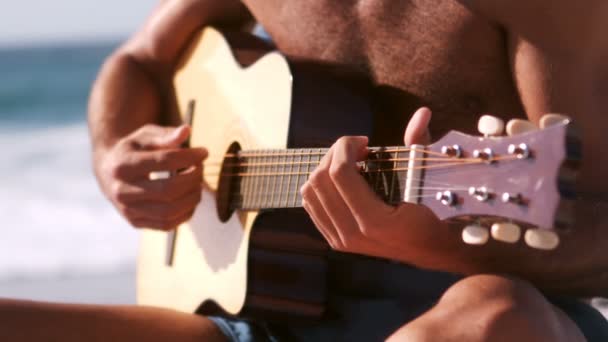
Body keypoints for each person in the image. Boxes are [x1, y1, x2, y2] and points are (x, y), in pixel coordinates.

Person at [2, 0, 608, 341]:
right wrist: (113, 157)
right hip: (260, 317)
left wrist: (437, 246)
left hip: (480, 314)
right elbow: (137, 60)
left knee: (496, 314)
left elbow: (598, 239)